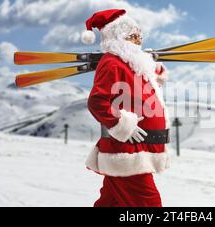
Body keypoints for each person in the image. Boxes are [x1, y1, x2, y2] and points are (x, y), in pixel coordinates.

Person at [83, 9, 170, 207]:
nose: (139, 41)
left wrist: (156, 73)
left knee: (112, 202)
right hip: (127, 152)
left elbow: (136, 86)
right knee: (148, 203)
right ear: (117, 38)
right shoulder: (111, 63)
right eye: (132, 36)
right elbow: (97, 102)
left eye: (140, 36)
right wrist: (123, 125)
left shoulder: (130, 63)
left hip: (137, 149)